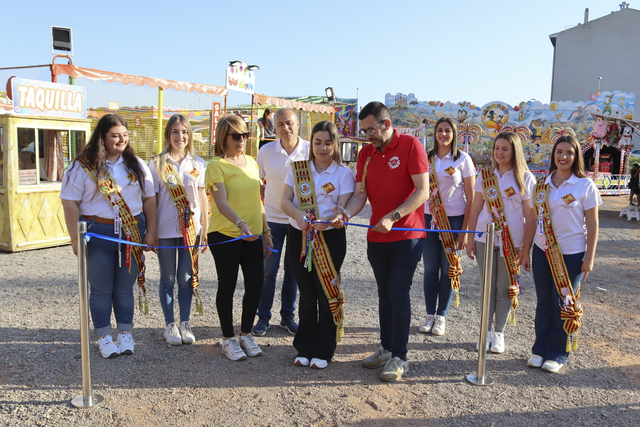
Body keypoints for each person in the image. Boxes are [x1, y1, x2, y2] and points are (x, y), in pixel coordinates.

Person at [343, 102, 429, 382]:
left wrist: (394, 216)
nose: (367, 134)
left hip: (407, 235)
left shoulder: (411, 145)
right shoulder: (366, 153)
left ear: (387, 124)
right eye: (364, 130)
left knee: (398, 293)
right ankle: (386, 348)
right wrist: (344, 213)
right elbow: (360, 195)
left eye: (371, 129)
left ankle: (400, 357)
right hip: (376, 235)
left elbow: (423, 191)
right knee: (384, 294)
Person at [60, 114, 157, 359]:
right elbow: (69, 202)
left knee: (125, 288)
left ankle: (125, 333)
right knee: (101, 289)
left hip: (131, 232)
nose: (121, 140)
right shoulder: (82, 166)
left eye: (124, 135)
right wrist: (74, 238)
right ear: (102, 136)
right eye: (115, 135)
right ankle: (104, 336)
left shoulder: (136, 164)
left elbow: (149, 199)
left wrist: (152, 231)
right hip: (98, 234)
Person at [518, 134, 601, 373]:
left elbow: (593, 224)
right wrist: (525, 250)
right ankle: (539, 350)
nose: (564, 157)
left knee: (564, 303)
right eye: (559, 152)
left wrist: (590, 258)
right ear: (553, 155)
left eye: (569, 153)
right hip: (543, 251)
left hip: (572, 254)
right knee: (544, 303)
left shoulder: (585, 185)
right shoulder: (542, 184)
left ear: (576, 157)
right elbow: (532, 219)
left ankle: (558, 353)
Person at [281, 121, 355, 369]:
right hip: (300, 236)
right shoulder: (298, 169)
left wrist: (338, 218)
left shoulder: (343, 174)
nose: (323, 148)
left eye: (328, 142)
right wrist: (299, 216)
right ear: (310, 144)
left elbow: (342, 207)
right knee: (307, 293)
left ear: (335, 144)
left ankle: (324, 348)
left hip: (330, 238)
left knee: (326, 293)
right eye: (317, 142)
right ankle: (304, 346)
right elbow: (285, 202)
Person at [206, 114, 273, 361]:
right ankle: (227, 339)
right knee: (228, 285)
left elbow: (259, 200)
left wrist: (265, 231)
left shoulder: (252, 163)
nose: (242, 140)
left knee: (256, 284)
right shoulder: (215, 165)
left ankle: (246, 333)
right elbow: (220, 202)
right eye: (236, 135)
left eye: (245, 134)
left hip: (253, 235)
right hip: (226, 234)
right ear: (224, 138)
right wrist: (240, 223)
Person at [466, 131, 536, 353]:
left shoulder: (525, 178)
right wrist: (469, 238)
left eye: (505, 149)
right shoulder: (485, 175)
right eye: (497, 148)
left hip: (512, 242)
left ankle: (499, 334)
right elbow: (476, 208)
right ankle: (484, 332)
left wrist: (526, 248)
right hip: (484, 240)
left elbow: (530, 215)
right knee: (487, 288)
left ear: (515, 151)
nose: (500, 153)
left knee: (504, 289)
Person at [149, 114, 208, 346]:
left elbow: (202, 196)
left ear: (189, 135)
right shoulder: (157, 164)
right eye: (175, 131)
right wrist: (151, 230)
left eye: (184, 132)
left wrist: (206, 227)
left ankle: (185, 322)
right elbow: (152, 199)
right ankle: (169, 325)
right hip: (164, 229)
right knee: (168, 278)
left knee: (186, 278)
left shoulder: (198, 164)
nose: (180, 136)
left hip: (190, 231)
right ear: (168, 135)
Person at [254, 108, 310, 336]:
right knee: (268, 270)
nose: (285, 128)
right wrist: (266, 196)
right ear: (274, 127)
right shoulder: (266, 151)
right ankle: (263, 318)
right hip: (273, 220)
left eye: (289, 123)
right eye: (280, 124)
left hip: (299, 221)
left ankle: (288, 317)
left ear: (298, 125)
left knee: (293, 271)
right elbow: (256, 180)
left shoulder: (310, 150)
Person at [420, 117, 475, 336]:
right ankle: (429, 314)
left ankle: (441, 315)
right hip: (428, 220)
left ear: (455, 134)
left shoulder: (463, 159)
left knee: (448, 270)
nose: (443, 134)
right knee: (430, 269)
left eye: (448, 131)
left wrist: (465, 231)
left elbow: (471, 198)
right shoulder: (426, 158)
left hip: (453, 221)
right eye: (440, 130)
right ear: (434, 133)